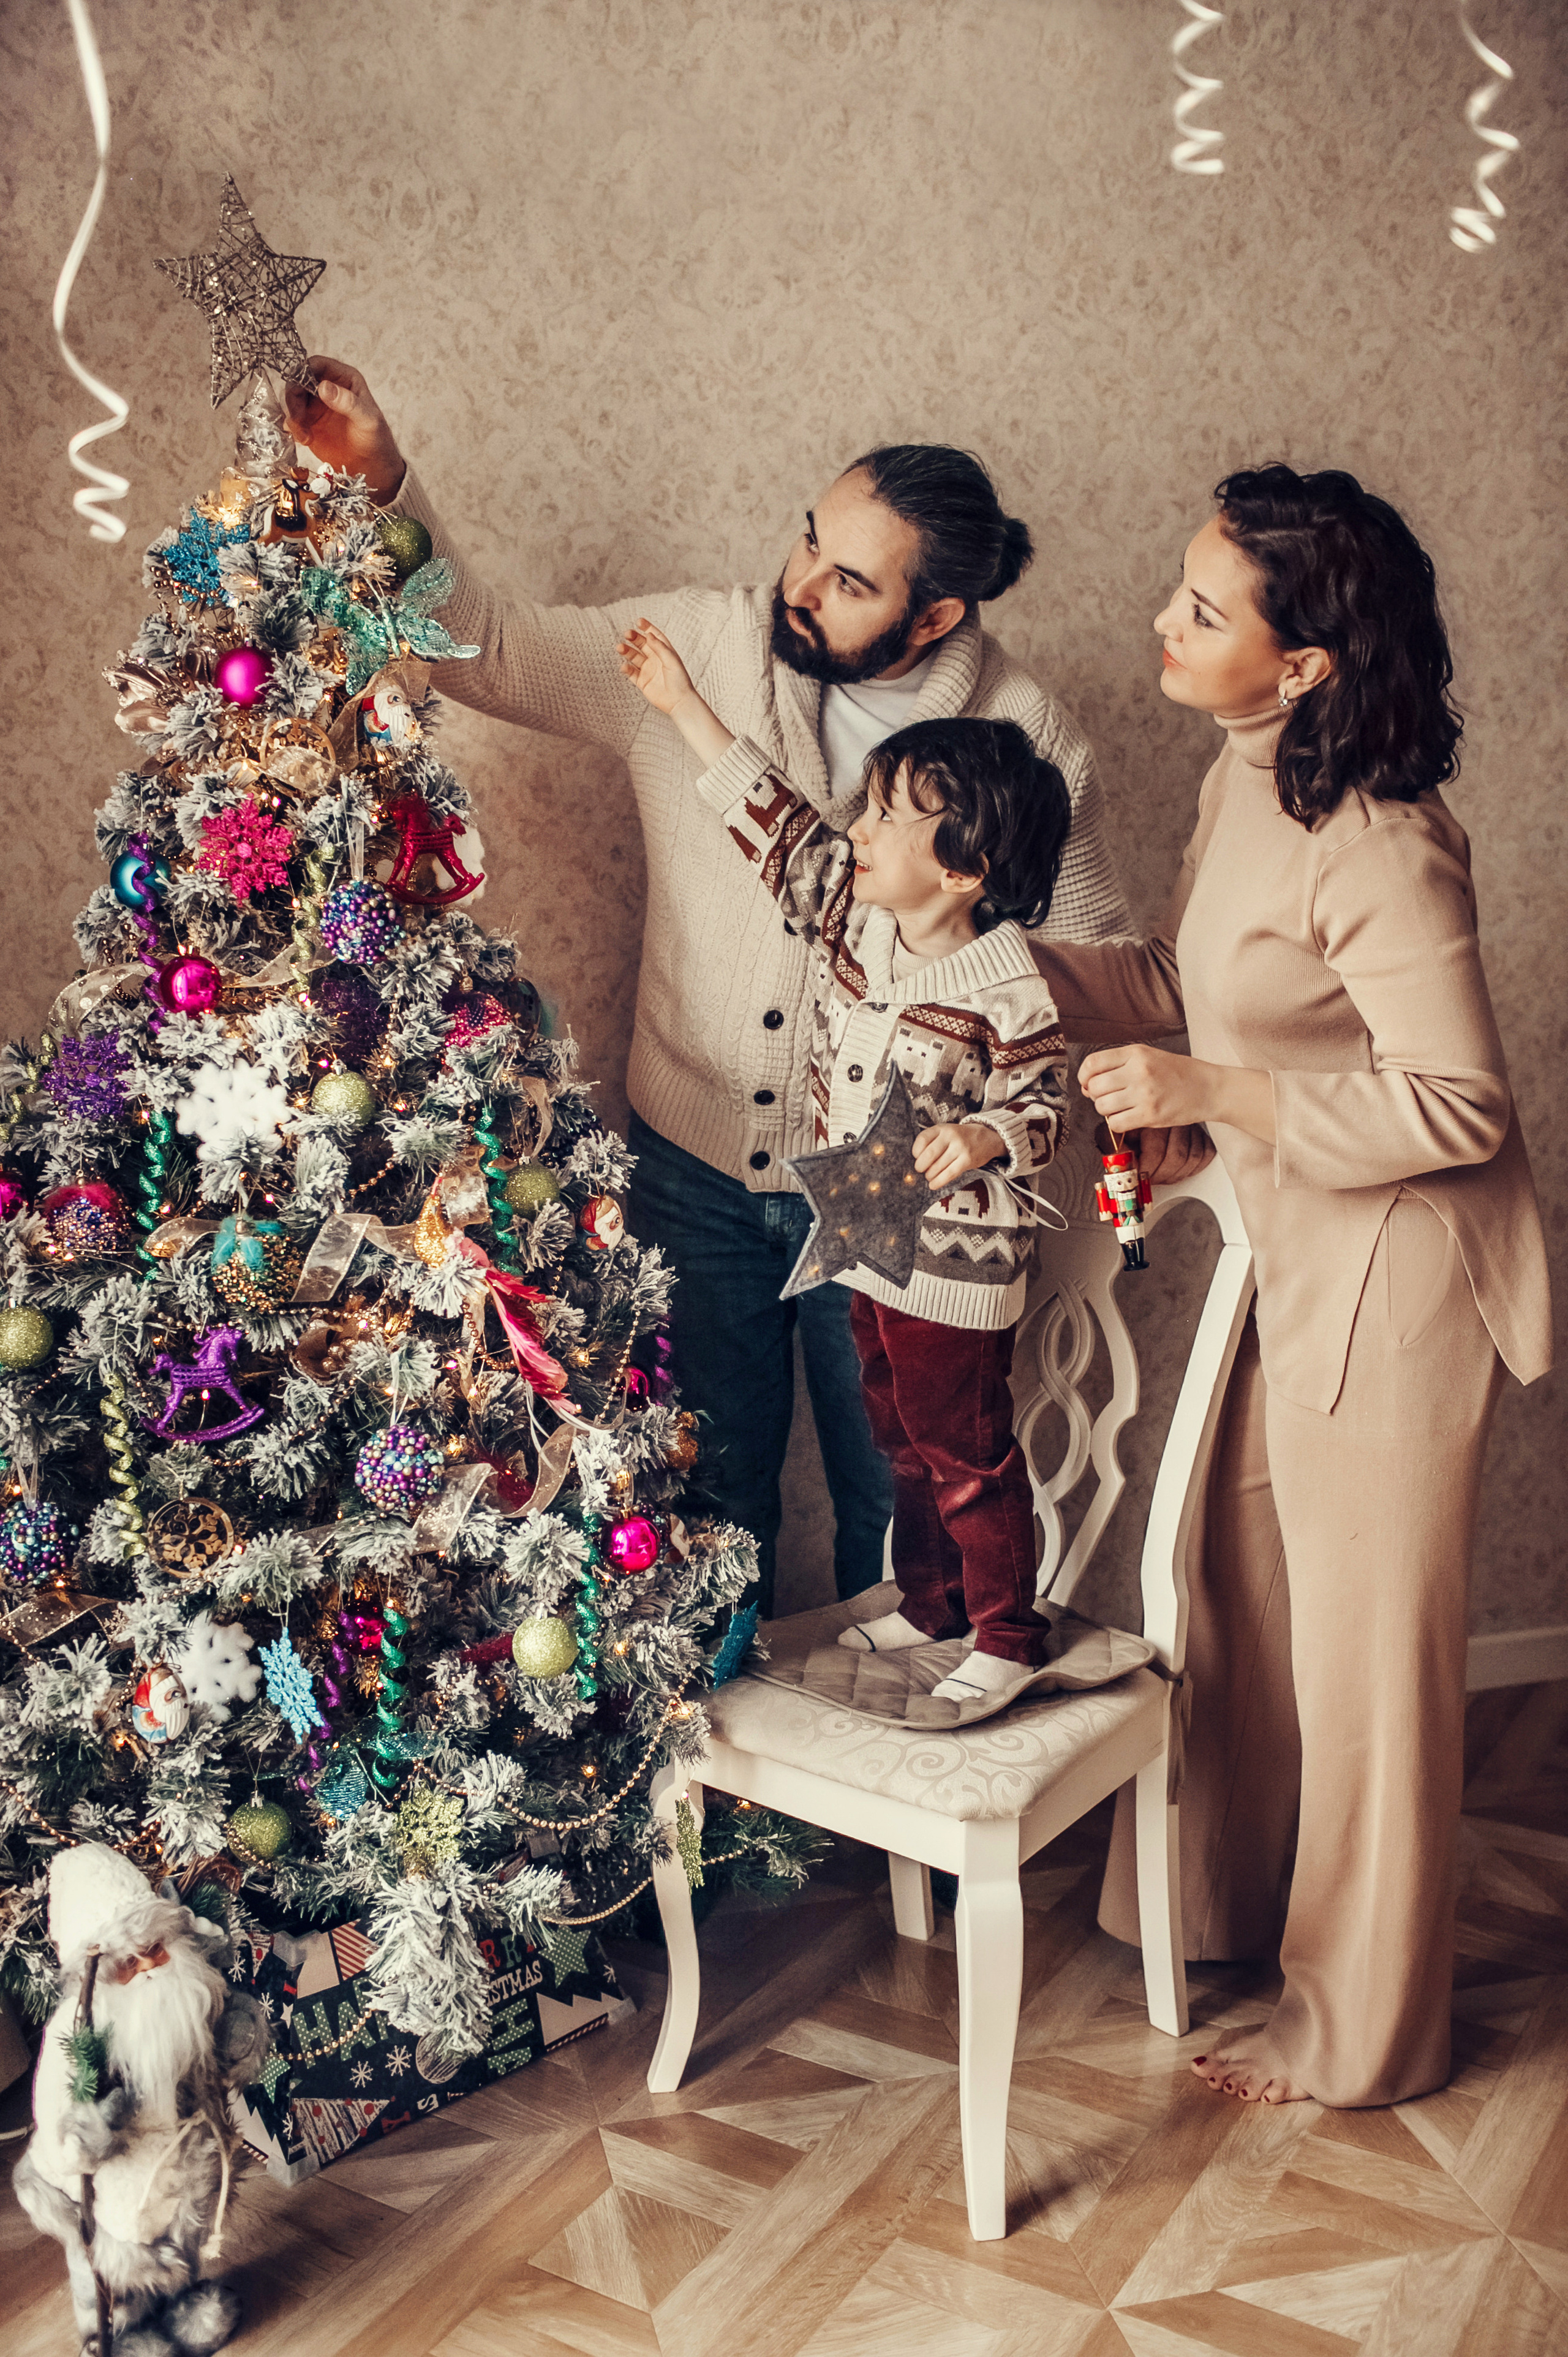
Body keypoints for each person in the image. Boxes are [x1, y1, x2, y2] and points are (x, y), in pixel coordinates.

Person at [284, 362, 1201, 1613]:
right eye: (807, 540)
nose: (798, 583)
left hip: (899, 1201)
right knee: (702, 1510)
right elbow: (485, 648)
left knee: (907, 1500)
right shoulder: (703, 643)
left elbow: (1098, 972)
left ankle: (894, 1790)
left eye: (848, 582)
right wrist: (384, 484)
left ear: (932, 619)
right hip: (693, 1174)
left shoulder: (1029, 741)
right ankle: (727, 1810)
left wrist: (996, 1050)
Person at [1035, 463, 1551, 2106]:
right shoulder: (1243, 774)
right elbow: (1227, 1001)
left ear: (1306, 661)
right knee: (1238, 1596)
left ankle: (1361, 2030)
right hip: (1291, 1243)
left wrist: (1222, 1103)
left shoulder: (1387, 841)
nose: (1162, 626)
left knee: (1368, 1668)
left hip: (1398, 1284)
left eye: (1201, 610)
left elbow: (1458, 1105)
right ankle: (1220, 1917)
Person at [619, 610, 1071, 1700]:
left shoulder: (1006, 988)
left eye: (886, 817)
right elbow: (776, 831)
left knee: (963, 1455)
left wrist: (991, 1134)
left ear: (965, 867)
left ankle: (1006, 1636)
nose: (856, 830)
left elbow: (1048, 1103)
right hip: (859, 1236)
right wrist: (684, 704)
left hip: (952, 1270)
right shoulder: (858, 924)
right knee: (894, 1442)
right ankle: (928, 1607)